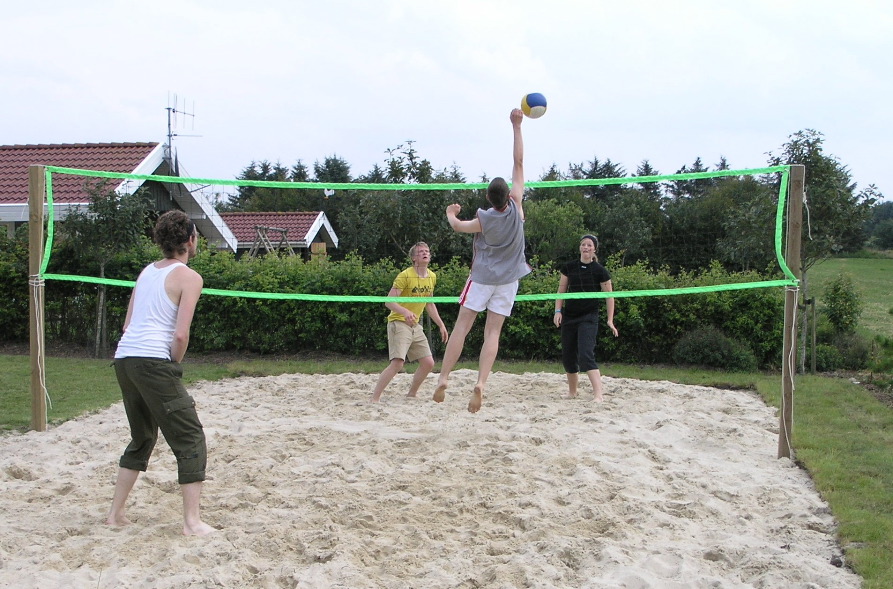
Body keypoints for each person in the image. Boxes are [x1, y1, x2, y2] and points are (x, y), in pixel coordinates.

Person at [106, 209, 215, 536]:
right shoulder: (190, 277)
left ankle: (115, 515)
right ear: (191, 240)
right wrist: (171, 365)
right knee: (190, 436)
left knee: (143, 437)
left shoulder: (146, 272)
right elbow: (180, 335)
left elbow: (127, 325)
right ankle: (191, 523)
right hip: (153, 361)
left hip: (124, 358)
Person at [433, 108, 530, 413]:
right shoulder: (517, 208)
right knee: (493, 333)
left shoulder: (483, 219)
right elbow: (518, 162)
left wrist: (450, 213)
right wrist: (516, 126)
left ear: (488, 198)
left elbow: (458, 227)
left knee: (462, 328)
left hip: (482, 278)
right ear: (510, 196)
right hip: (508, 280)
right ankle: (481, 383)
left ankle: (444, 378)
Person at [371, 242, 449, 402]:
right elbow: (389, 301)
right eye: (421, 252)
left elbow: (429, 302)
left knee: (428, 363)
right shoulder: (405, 275)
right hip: (398, 322)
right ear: (414, 258)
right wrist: (405, 312)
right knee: (397, 363)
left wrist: (440, 324)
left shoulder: (432, 276)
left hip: (414, 325)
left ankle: (411, 394)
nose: (425, 253)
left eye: (427, 251)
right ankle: (375, 398)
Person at [553, 234, 618, 402]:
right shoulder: (569, 267)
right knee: (568, 356)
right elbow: (561, 292)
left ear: (594, 248)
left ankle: (598, 395)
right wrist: (557, 311)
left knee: (586, 354)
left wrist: (610, 320)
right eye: (583, 244)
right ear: (580, 248)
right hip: (570, 316)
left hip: (589, 317)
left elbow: (609, 296)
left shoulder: (600, 271)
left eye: (589, 245)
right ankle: (572, 392)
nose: (586, 247)